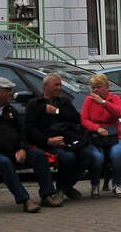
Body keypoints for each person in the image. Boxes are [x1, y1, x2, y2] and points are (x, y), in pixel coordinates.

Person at [0, 76, 60, 212]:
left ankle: (47, 195)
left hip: (14, 150)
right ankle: (25, 200)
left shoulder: (10, 110)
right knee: (4, 162)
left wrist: (22, 149)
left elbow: (22, 133)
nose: (12, 93)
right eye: (8, 90)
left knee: (39, 155)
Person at [25, 72, 95, 201]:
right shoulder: (35, 104)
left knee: (90, 155)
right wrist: (48, 141)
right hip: (49, 143)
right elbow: (29, 129)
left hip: (70, 141)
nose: (59, 88)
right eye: (56, 85)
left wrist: (57, 112)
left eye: (60, 85)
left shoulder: (64, 102)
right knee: (68, 157)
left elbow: (76, 119)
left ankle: (63, 188)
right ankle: (63, 189)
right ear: (45, 86)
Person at [80, 73, 121, 197]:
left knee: (117, 154)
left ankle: (117, 184)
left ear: (107, 87)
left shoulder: (114, 98)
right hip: (95, 138)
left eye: (98, 87)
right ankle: (95, 185)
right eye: (93, 88)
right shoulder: (89, 100)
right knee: (97, 157)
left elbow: (119, 113)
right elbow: (84, 120)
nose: (95, 90)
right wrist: (97, 128)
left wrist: (103, 102)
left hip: (115, 138)